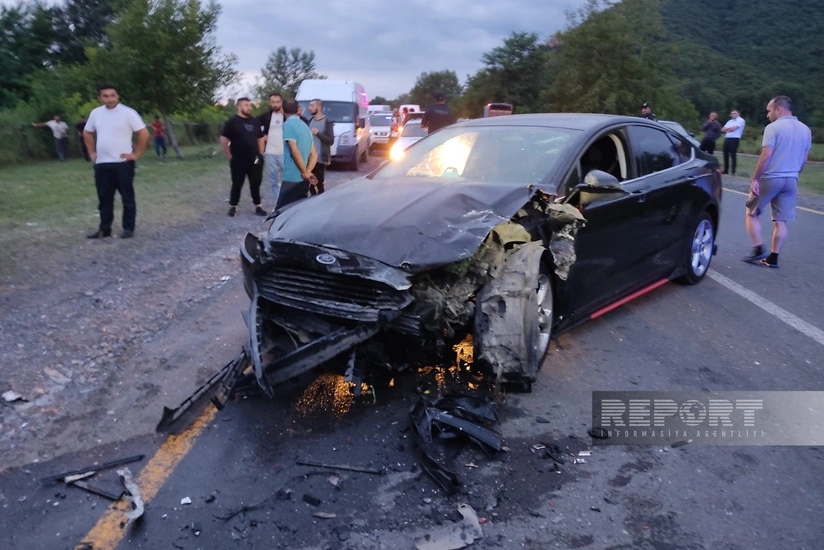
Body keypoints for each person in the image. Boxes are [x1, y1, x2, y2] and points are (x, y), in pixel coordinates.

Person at [742, 96, 811, 269]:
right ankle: (773, 258)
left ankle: (758, 249)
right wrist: (794, 174)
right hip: (792, 179)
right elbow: (804, 159)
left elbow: (766, 155)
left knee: (752, 212)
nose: (768, 115)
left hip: (771, 177)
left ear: (778, 110)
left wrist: (755, 179)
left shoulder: (773, 128)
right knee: (781, 220)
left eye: (769, 110)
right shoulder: (806, 130)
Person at [83, 84, 150, 239]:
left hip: (122, 164)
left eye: (112, 95)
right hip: (102, 164)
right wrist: (91, 152)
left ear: (118, 96)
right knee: (104, 199)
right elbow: (87, 133)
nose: (110, 99)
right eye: (105, 96)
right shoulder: (96, 113)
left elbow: (144, 134)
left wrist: (136, 154)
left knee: (127, 197)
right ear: (100, 98)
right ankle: (104, 229)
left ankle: (128, 228)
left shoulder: (128, 113)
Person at [220, 97, 267, 217]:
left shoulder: (254, 121)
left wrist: (260, 154)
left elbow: (261, 137)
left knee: (256, 183)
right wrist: (229, 155)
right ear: (239, 106)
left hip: (255, 159)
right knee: (237, 183)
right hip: (238, 159)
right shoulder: (232, 122)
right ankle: (233, 207)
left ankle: (258, 206)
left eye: (249, 105)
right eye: (246, 105)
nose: (249, 107)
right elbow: (224, 138)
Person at [276, 98, 318, 211]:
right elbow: (314, 155)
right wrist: (308, 172)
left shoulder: (288, 125)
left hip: (291, 177)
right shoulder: (305, 127)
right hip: (303, 180)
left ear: (282, 109)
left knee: (281, 212)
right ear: (298, 110)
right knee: (297, 212)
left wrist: (304, 171)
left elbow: (294, 150)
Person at [258, 92, 285, 208]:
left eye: (277, 102)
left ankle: (287, 201)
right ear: (270, 103)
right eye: (273, 102)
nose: (275, 104)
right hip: (269, 152)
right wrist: (262, 135)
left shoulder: (287, 116)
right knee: (274, 180)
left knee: (287, 179)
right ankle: (279, 202)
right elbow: (253, 125)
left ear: (281, 102)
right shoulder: (265, 116)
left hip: (284, 152)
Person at [306, 98, 335, 195]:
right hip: (309, 158)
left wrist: (318, 133)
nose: (309, 108)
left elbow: (330, 140)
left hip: (320, 159)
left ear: (319, 107)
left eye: (312, 106)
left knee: (319, 184)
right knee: (309, 184)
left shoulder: (327, 122)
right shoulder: (309, 121)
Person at [721, 109, 746, 175]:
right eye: (732, 113)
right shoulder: (730, 121)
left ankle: (733, 171)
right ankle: (725, 170)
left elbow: (733, 128)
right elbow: (722, 129)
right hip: (727, 138)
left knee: (733, 155)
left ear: (738, 114)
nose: (732, 115)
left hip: (735, 138)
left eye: (734, 113)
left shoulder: (741, 120)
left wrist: (728, 129)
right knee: (725, 154)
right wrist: (728, 129)